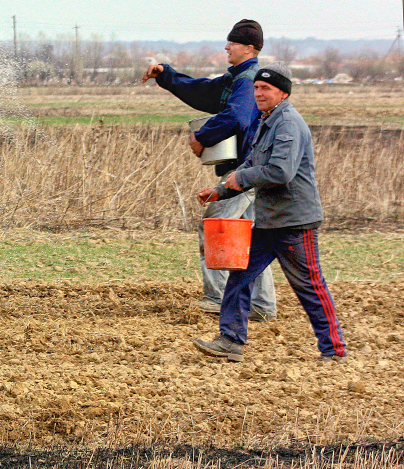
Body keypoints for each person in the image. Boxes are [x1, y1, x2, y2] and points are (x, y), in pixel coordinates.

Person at [194, 62, 347, 364]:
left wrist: (242, 179)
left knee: (309, 286)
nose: (259, 93)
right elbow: (250, 166)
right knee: (239, 275)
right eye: (256, 88)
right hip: (268, 220)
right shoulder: (266, 120)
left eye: (266, 88)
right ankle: (231, 340)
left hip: (294, 222)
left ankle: (334, 350)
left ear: (283, 93)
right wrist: (221, 189)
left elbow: (281, 172)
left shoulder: (288, 123)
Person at [142, 19, 277, 322]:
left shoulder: (246, 80)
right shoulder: (239, 77)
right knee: (251, 238)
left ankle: (217, 298)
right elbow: (203, 91)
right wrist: (167, 76)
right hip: (254, 167)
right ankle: (261, 305)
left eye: (232, 43)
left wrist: (201, 137)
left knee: (214, 224)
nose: (227, 47)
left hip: (245, 169)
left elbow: (237, 116)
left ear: (249, 47)